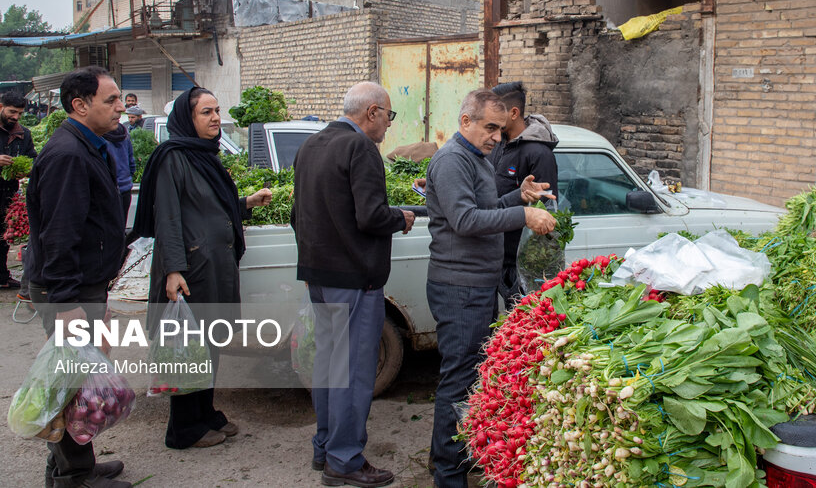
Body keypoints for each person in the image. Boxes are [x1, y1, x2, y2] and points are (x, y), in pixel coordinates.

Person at [425, 89, 556, 488]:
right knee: (459, 379)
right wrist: (523, 213)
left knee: (468, 375)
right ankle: (449, 473)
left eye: (500, 129)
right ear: (466, 121)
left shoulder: (476, 159)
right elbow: (465, 220)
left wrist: (519, 196)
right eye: (490, 127)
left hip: (476, 284)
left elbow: (485, 209)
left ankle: (447, 458)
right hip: (459, 286)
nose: (497, 137)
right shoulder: (451, 161)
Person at [134, 87, 272, 450]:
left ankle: (205, 413)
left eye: (216, 111)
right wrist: (173, 270)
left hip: (213, 266)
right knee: (188, 347)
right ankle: (183, 428)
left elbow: (210, 206)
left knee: (209, 343)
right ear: (188, 119)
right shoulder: (173, 158)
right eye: (206, 113)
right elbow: (168, 218)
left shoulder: (202, 155)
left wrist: (245, 203)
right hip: (191, 269)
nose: (215, 118)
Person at [292, 81, 415, 488]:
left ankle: (325, 446)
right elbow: (370, 216)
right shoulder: (360, 148)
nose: (387, 126)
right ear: (373, 112)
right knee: (354, 371)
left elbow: (298, 214)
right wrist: (400, 218)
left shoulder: (311, 145)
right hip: (354, 279)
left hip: (319, 275)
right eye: (389, 116)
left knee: (328, 364)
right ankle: (344, 461)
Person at [24, 67, 130, 488]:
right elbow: (59, 234)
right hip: (66, 289)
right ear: (79, 105)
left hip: (81, 285)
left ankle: (71, 466)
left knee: (76, 378)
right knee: (69, 384)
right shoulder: (68, 155)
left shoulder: (88, 145)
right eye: (111, 100)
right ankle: (76, 477)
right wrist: (67, 301)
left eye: (120, 98)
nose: (121, 107)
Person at [487, 81, 559, 307]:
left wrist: (533, 271)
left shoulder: (538, 153)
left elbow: (546, 215)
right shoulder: (497, 144)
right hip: (492, 255)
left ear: (514, 113)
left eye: (495, 111)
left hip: (517, 265)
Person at [0, 90, 36, 288]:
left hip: (8, 194)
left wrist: (27, 170)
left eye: (20, 114)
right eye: (12, 112)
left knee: (5, 236)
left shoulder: (23, 134)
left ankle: (2, 277)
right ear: (1, 107)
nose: (16, 117)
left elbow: (32, 158)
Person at [103, 123, 136, 223]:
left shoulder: (101, 138)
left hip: (110, 189)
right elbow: (131, 162)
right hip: (125, 187)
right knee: (121, 225)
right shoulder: (125, 135)